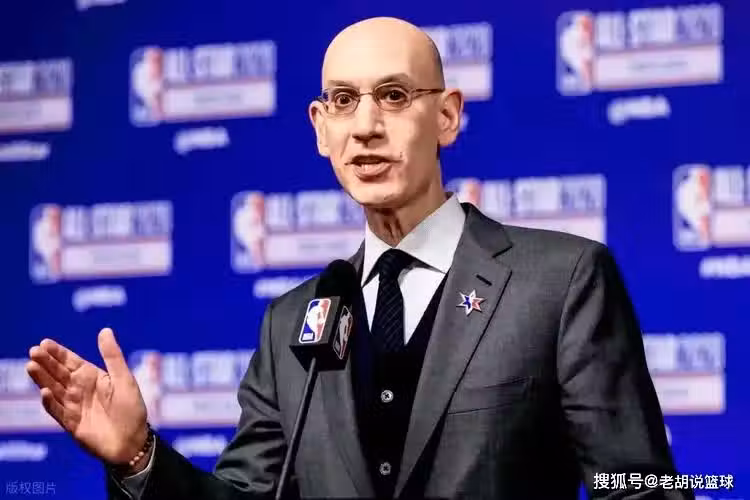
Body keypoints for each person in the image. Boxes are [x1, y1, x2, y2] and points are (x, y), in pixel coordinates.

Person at [26, 17, 692, 500]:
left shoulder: (559, 281)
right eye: (344, 101)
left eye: (394, 96)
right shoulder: (291, 323)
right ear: (321, 128)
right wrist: (138, 457)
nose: (366, 126)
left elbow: (637, 487)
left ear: (448, 116)